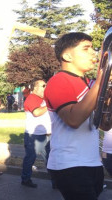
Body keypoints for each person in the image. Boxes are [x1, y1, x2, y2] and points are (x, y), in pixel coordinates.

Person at [44, 32, 104, 199]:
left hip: (92, 161)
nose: (93, 53)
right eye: (86, 49)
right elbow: (73, 119)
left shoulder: (91, 84)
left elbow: (105, 124)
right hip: (69, 164)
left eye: (93, 48)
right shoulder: (58, 81)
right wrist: (101, 81)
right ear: (67, 56)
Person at [20, 80, 52, 188]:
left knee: (51, 159)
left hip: (47, 134)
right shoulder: (31, 98)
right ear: (35, 88)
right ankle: (25, 179)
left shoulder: (44, 99)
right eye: (43, 86)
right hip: (34, 135)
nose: (46, 87)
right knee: (31, 157)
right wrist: (48, 104)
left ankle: (56, 182)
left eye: (46, 85)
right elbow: (37, 112)